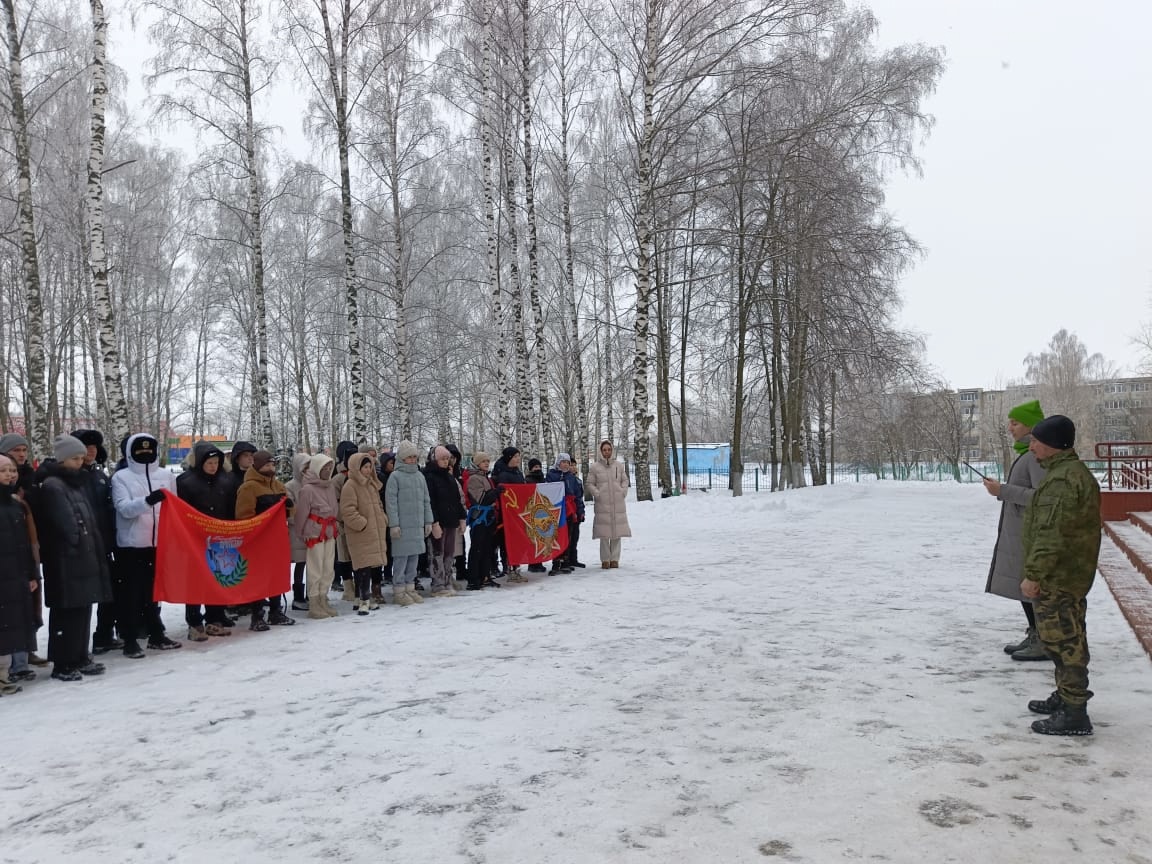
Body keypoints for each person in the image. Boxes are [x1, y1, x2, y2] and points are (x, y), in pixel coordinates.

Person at [1020, 415, 1102, 736]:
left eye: (1036, 442)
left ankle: (1074, 712)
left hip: (1059, 577)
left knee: (1065, 641)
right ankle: (1067, 697)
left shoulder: (1063, 481)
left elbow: (1051, 534)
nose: (1032, 447)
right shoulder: (1067, 474)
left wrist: (1034, 573)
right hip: (1067, 574)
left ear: (1052, 445)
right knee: (1062, 638)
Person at [34, 436, 114, 681]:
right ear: (62, 459)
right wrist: (79, 541)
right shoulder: (53, 485)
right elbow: (67, 524)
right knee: (67, 611)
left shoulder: (75, 483)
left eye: (81, 458)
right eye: (74, 458)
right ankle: (63, 661)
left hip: (84, 556)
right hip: (66, 558)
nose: (79, 462)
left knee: (83, 608)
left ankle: (79, 655)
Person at [981, 400, 1047, 660]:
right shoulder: (1027, 452)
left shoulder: (1037, 456)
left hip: (1031, 534)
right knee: (1024, 585)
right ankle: (1035, 633)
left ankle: (1043, 639)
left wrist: (1003, 491)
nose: (1010, 427)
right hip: (1022, 532)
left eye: (1015, 422)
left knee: (1031, 586)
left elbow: (1044, 496)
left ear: (1031, 426)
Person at [111, 433, 181, 658]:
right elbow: (123, 508)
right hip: (131, 545)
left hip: (159, 543)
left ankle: (156, 633)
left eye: (149, 450)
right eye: (140, 451)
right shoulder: (121, 477)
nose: (145, 454)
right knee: (131, 594)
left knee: (154, 592)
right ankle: (130, 638)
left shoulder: (166, 475)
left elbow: (174, 508)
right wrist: (147, 501)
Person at [176, 442, 236, 641]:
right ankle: (194, 622)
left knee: (217, 577)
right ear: (200, 462)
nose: (213, 466)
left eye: (216, 462)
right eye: (209, 462)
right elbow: (181, 511)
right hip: (195, 539)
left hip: (220, 538)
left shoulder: (225, 481)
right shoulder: (185, 482)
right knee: (195, 581)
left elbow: (230, 507)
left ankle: (215, 618)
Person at [72, 429, 124, 655]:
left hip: (106, 542)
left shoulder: (100, 474)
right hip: (84, 545)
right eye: (85, 447)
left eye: (94, 447)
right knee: (83, 597)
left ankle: (104, 635)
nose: (91, 451)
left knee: (110, 592)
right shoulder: (72, 477)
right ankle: (76, 648)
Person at [235, 450, 295, 629]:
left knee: (276, 575)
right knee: (258, 577)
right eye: (267, 465)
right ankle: (257, 615)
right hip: (259, 540)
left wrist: (289, 507)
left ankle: (276, 611)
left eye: (272, 465)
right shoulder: (249, 487)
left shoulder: (278, 486)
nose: (271, 468)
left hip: (277, 538)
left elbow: (289, 514)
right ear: (258, 466)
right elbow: (243, 516)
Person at [0, 433, 45, 670]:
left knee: (31, 599)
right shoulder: (8, 485)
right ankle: (15, 657)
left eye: (23, 450)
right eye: (15, 450)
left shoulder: (29, 477)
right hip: (11, 549)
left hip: (29, 542)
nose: (20, 454)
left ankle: (27, 649)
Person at [340, 453, 389, 614]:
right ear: (356, 468)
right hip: (360, 534)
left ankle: (363, 598)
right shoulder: (351, 485)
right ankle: (363, 600)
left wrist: (382, 519)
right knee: (362, 568)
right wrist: (363, 524)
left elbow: (379, 505)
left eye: (370, 467)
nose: (368, 470)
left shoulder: (371, 485)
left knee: (372, 566)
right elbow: (347, 511)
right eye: (365, 467)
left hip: (373, 532)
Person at [385, 440, 433, 607]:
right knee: (401, 558)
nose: (412, 460)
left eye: (414, 457)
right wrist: (394, 524)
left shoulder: (420, 476)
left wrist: (428, 521)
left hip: (417, 524)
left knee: (414, 558)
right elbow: (390, 503)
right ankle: (399, 590)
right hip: (402, 526)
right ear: (402, 458)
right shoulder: (395, 476)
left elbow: (426, 500)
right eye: (409, 457)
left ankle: (410, 587)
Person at [293, 454, 341, 619]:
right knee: (315, 568)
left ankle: (323, 598)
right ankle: (314, 603)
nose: (328, 471)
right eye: (324, 468)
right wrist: (303, 533)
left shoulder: (329, 487)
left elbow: (335, 509)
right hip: (314, 533)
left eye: (330, 468)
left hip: (330, 532)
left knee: (328, 568)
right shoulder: (307, 489)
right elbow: (301, 514)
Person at [424, 446, 466, 597]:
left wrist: (462, 518)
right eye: (442, 458)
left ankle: (447, 579)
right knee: (437, 553)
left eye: (447, 458)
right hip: (438, 521)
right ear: (435, 459)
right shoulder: (428, 476)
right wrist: (433, 522)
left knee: (449, 553)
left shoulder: (449, 477)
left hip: (451, 520)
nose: (446, 461)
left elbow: (457, 499)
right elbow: (430, 501)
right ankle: (438, 583)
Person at [587, 439, 631, 568]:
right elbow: (590, 483)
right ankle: (605, 559)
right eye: (604, 450)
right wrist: (597, 494)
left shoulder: (619, 465)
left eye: (609, 449)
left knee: (617, 532)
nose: (607, 452)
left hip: (617, 503)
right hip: (603, 504)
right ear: (601, 451)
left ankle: (615, 559)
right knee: (604, 533)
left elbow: (625, 480)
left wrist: (622, 492)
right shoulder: (595, 467)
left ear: (612, 450)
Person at [465, 452, 499, 590]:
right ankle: (473, 578)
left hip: (488, 516)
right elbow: (481, 499)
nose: (486, 463)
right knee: (477, 548)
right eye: (483, 461)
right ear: (477, 463)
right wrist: (495, 492)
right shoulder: (474, 479)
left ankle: (484, 576)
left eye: (488, 460)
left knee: (486, 548)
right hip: (479, 517)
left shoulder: (485, 477)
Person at [285, 453, 313, 612]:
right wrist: (303, 521)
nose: (308, 470)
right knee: (300, 563)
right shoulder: (290, 486)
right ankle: (298, 596)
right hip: (297, 531)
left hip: (313, 529)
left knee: (313, 564)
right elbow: (291, 510)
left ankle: (311, 593)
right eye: (305, 467)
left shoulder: (313, 483)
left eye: (310, 466)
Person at [491, 447, 525, 578]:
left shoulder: (518, 473)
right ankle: (508, 566)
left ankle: (515, 566)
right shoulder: (502, 474)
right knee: (506, 541)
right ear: (509, 458)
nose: (518, 459)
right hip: (507, 514)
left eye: (518, 456)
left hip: (518, 512)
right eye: (515, 456)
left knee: (517, 540)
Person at [546, 454, 583, 573]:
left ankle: (565, 561)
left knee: (568, 536)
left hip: (569, 510)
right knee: (556, 536)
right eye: (564, 462)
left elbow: (577, 496)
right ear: (558, 463)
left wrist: (579, 511)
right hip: (555, 510)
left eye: (568, 462)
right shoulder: (552, 475)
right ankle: (556, 562)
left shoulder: (571, 477)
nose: (566, 464)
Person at [331, 440, 358, 597]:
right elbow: (335, 502)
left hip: (358, 522)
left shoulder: (359, 476)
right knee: (344, 555)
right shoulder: (338, 479)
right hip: (343, 523)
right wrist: (346, 517)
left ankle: (358, 584)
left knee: (356, 554)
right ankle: (348, 586)